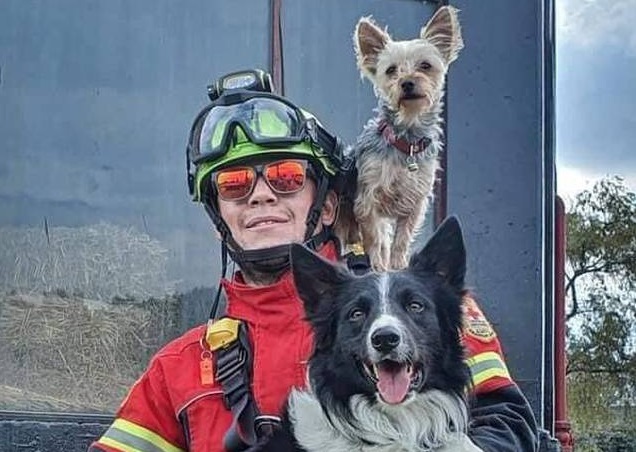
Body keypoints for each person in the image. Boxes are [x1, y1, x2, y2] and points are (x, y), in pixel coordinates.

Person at [89, 69, 538, 452]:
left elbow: (507, 423)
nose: (260, 195)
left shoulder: (418, 309)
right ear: (218, 221)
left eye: (285, 177)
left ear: (326, 207)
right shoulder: (179, 366)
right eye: (233, 185)